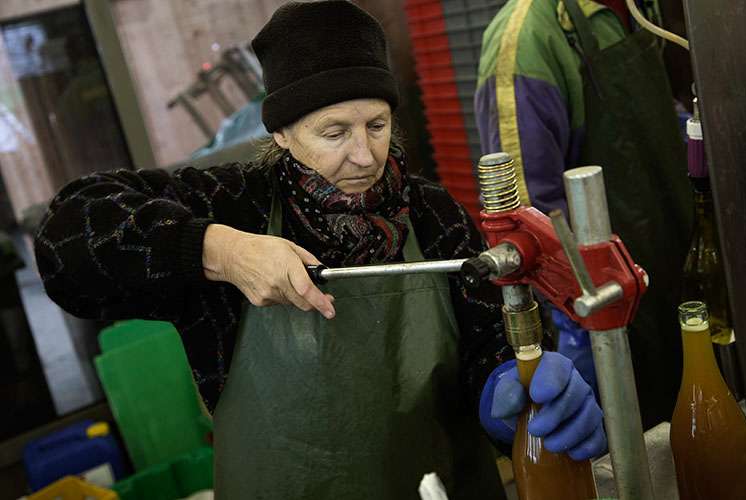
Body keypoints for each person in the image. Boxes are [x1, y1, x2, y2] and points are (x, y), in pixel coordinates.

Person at [35, 2, 604, 498]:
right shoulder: (236, 204)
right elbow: (67, 239)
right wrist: (221, 251)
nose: (364, 156)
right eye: (335, 133)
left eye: (377, 125)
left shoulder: (432, 214)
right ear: (281, 134)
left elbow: (489, 345)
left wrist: (506, 390)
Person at [475, 0, 692, 430]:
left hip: (675, 261)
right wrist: (579, 320)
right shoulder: (527, 39)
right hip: (607, 303)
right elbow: (527, 212)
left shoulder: (636, 9)